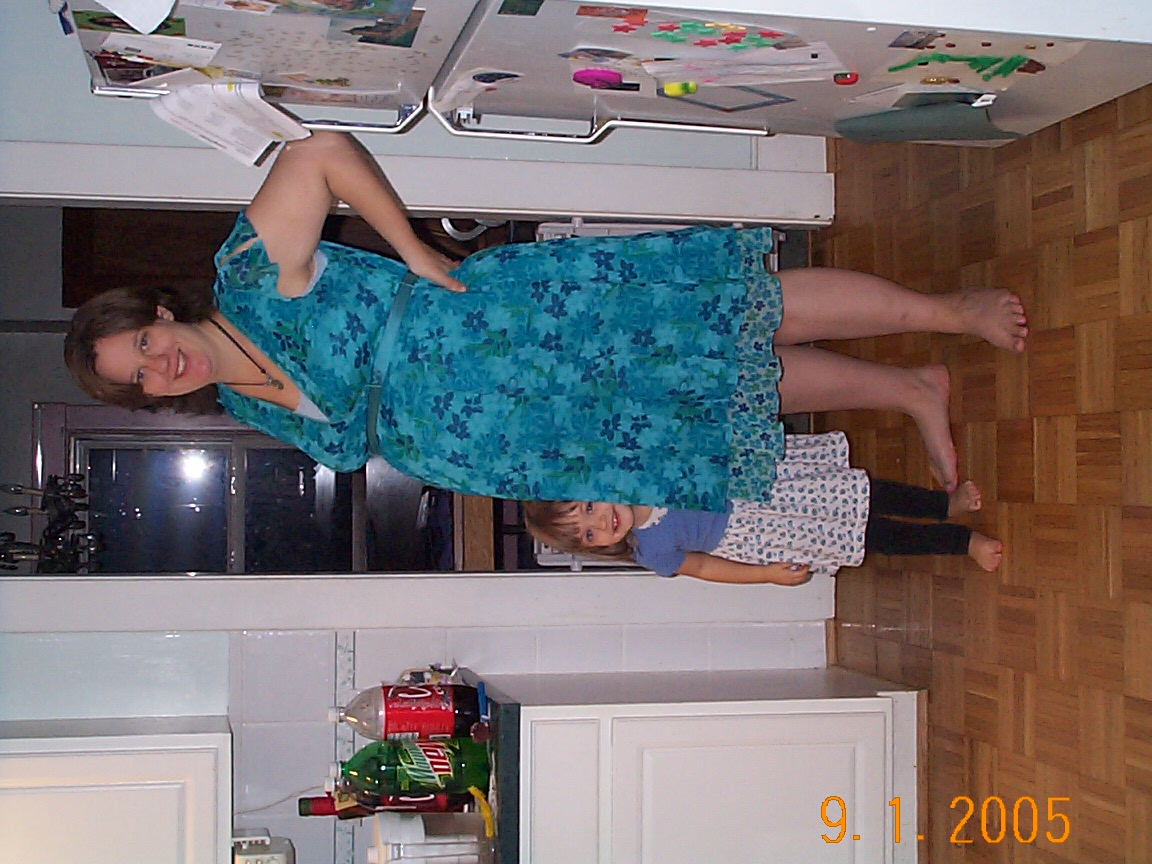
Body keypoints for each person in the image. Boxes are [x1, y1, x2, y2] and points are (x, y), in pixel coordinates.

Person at [65, 131, 1028, 511]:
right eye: (137, 378)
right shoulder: (248, 408)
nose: (159, 366)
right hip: (531, 437)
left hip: (520, 323)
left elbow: (318, 154)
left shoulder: (245, 277)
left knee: (734, 313)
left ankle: (949, 313)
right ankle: (911, 390)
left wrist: (413, 250)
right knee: (715, 395)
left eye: (144, 344)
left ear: (160, 312)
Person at [522, 431, 1004, 584]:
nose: (601, 523)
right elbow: (706, 566)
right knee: (870, 536)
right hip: (767, 533)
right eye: (588, 534)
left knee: (868, 492)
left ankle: (944, 505)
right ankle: (961, 542)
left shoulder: (645, 465)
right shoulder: (651, 551)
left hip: (770, 483)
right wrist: (767, 575)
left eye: (589, 505)